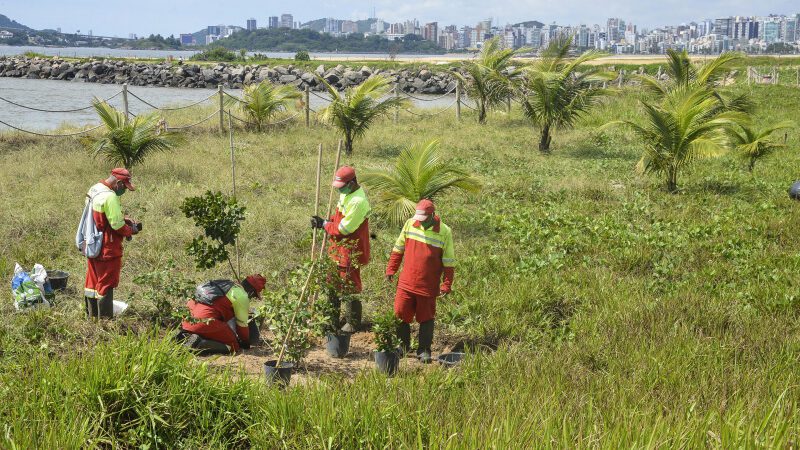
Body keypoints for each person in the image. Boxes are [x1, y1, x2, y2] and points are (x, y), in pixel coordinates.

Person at [385, 199, 455, 363]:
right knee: (400, 314)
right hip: (406, 282)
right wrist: (391, 269)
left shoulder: (444, 231)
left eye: (423, 219)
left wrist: (447, 284)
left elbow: (449, 261)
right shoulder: (410, 224)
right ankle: (402, 346)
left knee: (426, 318)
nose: (419, 222)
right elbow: (398, 248)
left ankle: (424, 350)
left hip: (427, 286)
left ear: (432, 216)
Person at [311, 166, 371, 333]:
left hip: (350, 250)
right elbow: (338, 219)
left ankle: (352, 322)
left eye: (341, 186)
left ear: (352, 183)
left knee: (349, 285)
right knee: (332, 283)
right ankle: (331, 319)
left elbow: (344, 229)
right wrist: (327, 221)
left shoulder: (358, 202)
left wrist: (324, 224)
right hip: (337, 248)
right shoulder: (346, 193)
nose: (339, 190)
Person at [83, 168, 140, 319]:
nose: (124, 190)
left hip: (92, 243)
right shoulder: (110, 196)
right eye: (124, 187)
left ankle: (91, 316)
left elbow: (101, 216)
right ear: (119, 183)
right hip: (108, 247)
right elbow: (116, 225)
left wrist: (123, 219)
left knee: (92, 281)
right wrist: (130, 230)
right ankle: (105, 320)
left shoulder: (95, 189)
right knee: (107, 282)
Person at [180, 274, 266, 354]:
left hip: (186, 320)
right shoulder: (242, 296)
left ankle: (185, 336)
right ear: (251, 291)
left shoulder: (226, 285)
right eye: (254, 295)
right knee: (233, 346)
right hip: (204, 322)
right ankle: (199, 343)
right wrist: (246, 344)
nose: (252, 298)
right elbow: (242, 325)